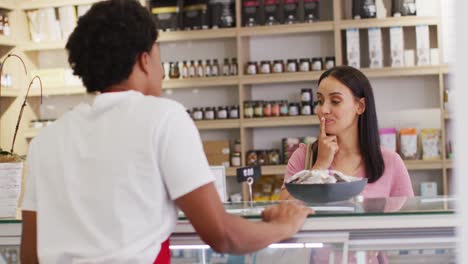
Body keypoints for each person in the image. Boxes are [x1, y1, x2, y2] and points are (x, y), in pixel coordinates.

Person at [20, 1, 313, 263]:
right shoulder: (162, 117)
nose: (162, 71)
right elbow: (222, 234)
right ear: (144, 60)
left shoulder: (47, 141)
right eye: (161, 58)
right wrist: (283, 226)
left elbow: (30, 255)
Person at [280, 66, 414, 200]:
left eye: (335, 101)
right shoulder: (303, 157)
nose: (323, 109)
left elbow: (408, 219)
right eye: (320, 101)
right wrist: (319, 167)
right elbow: (282, 212)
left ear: (360, 106)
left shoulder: (391, 162)